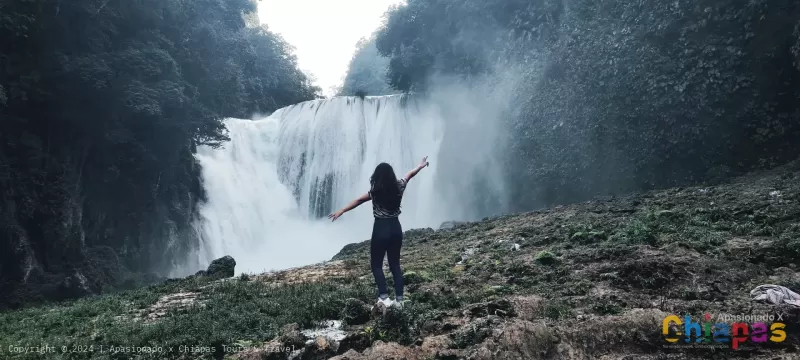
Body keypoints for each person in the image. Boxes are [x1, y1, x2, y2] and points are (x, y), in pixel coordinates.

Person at [328, 157, 430, 307]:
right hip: (396, 228)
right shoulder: (400, 186)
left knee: (376, 264)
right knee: (395, 264)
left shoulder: (375, 192)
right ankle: (400, 300)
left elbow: (358, 200)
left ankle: (384, 298)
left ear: (378, 176)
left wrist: (342, 210)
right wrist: (419, 167)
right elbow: (409, 175)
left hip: (381, 229)